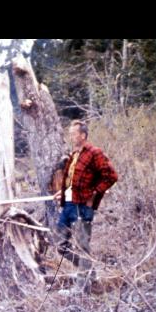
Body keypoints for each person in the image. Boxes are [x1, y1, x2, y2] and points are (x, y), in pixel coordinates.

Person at [52, 120, 118, 291]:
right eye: (71, 133)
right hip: (69, 204)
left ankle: (80, 288)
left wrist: (94, 193)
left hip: (83, 207)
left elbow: (111, 176)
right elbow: (72, 181)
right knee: (60, 244)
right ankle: (89, 271)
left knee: (82, 247)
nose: (71, 136)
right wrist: (64, 192)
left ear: (83, 135)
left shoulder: (95, 153)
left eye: (74, 133)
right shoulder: (74, 154)